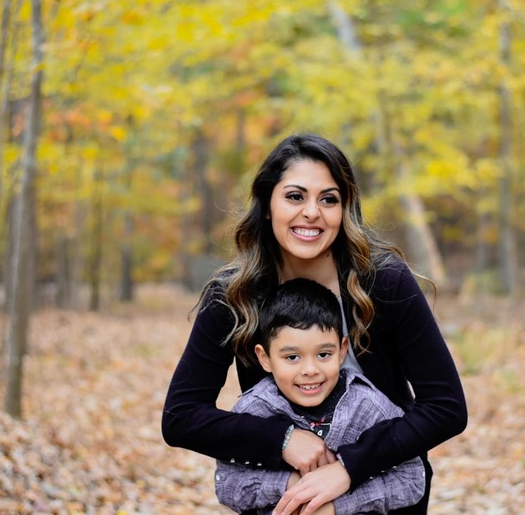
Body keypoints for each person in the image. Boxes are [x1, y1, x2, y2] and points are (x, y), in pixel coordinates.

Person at [162, 133, 467, 515]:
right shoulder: (234, 295)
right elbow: (181, 417)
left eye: (329, 199)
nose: (312, 212)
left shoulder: (384, 282)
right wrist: (283, 439)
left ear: (345, 210)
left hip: (384, 493)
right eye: (295, 196)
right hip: (288, 496)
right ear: (268, 205)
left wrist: (348, 468)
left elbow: (446, 407)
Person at [214, 278, 425, 514]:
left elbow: (412, 478)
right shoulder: (254, 410)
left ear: (342, 350)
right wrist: (292, 485)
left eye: (324, 354)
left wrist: (336, 505)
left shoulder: (368, 406)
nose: (310, 370)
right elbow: (227, 484)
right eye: (292, 357)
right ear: (265, 358)